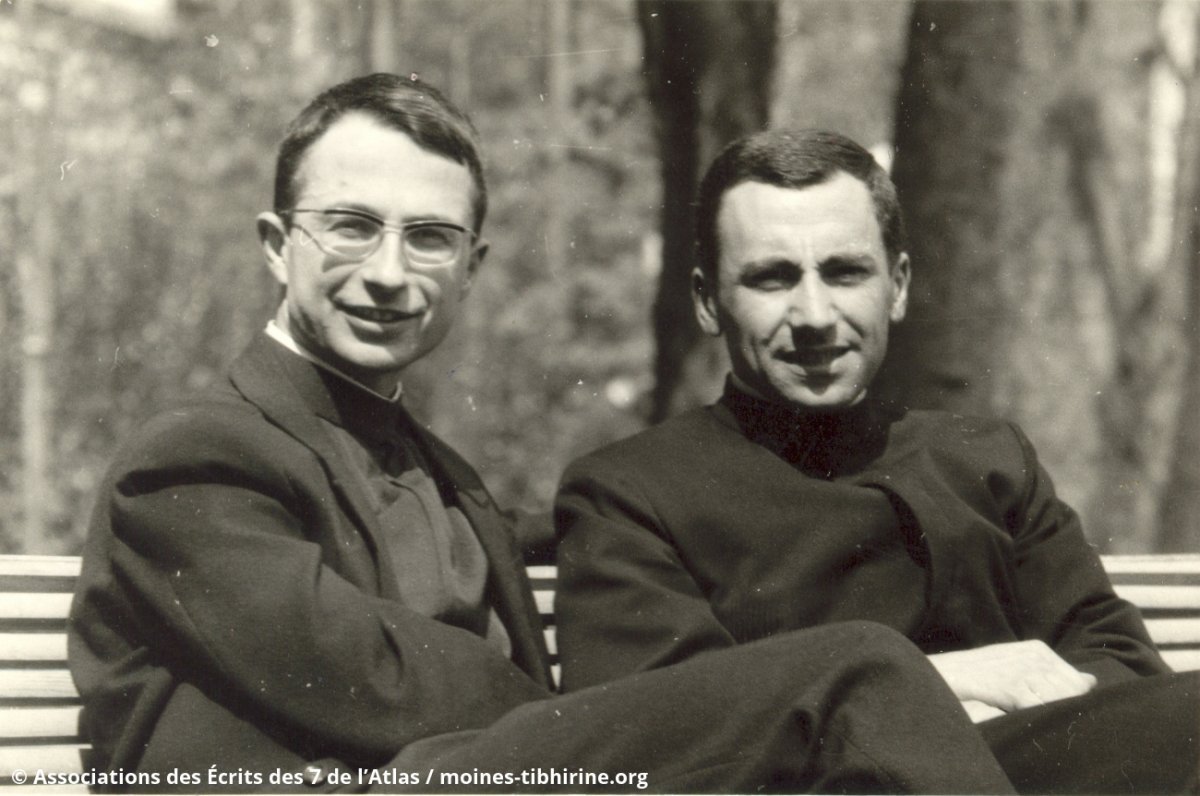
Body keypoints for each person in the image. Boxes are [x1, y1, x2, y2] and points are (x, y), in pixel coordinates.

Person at [68, 76, 1019, 794]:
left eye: (431, 238)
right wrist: (621, 714)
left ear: (472, 266)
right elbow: (374, 679)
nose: (391, 273)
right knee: (848, 670)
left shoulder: (441, 474)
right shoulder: (193, 460)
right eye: (351, 227)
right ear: (278, 244)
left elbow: (566, 531)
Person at [555, 128, 1200, 795]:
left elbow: (1120, 663)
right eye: (772, 278)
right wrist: (941, 688)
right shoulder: (630, 492)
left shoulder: (987, 460)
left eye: (844, 272)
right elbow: (651, 735)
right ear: (707, 300)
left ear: (897, 286)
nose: (814, 315)